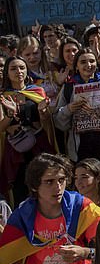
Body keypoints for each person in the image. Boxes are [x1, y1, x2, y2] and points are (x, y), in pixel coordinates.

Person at [0, 153, 100, 264]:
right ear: (35, 186)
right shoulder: (21, 217)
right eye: (49, 182)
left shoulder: (81, 207)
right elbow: (4, 260)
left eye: (62, 180)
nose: (58, 187)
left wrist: (85, 252)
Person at [52, 48, 100, 173]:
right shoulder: (68, 88)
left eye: (92, 61)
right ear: (76, 66)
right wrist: (69, 109)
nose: (88, 65)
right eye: (83, 62)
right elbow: (58, 121)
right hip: (81, 144)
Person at [0, 56, 55, 198]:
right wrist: (11, 115)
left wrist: (43, 113)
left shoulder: (37, 92)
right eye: (13, 68)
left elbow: (46, 124)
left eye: (22, 67)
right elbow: (1, 127)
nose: (18, 71)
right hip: (15, 149)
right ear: (7, 73)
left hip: (38, 145)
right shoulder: (3, 96)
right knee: (20, 189)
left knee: (42, 186)